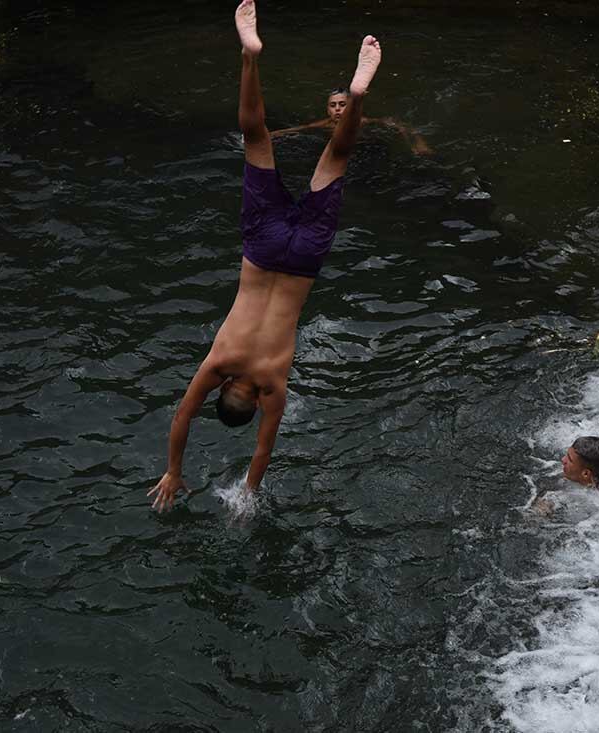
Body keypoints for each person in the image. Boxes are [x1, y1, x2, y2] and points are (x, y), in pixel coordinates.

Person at [148, 0, 382, 511]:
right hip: (260, 248)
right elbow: (182, 415)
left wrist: (247, 497)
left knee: (337, 155)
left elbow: (263, 450)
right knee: (254, 136)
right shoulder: (219, 363)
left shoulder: (273, 384)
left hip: (302, 261)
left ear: (251, 399)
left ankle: (359, 95)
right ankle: (249, 56)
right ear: (226, 387)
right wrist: (171, 471)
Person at [270, 87, 432, 156]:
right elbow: (301, 129)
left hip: (368, 145)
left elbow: (399, 124)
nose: (338, 109)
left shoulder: (363, 122)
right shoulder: (326, 124)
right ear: (328, 110)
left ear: (350, 107)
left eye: (342, 104)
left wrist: (417, 143)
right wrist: (270, 135)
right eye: (333, 106)